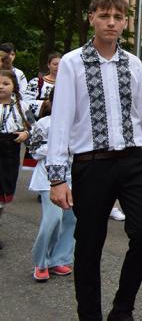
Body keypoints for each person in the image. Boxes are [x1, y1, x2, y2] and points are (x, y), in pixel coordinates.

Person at [47, 0, 142, 321]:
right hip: (91, 165)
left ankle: (122, 310)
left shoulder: (133, 63)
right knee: (89, 244)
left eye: (117, 17)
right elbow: (61, 120)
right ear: (91, 19)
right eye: (104, 16)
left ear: (125, 22)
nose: (111, 22)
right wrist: (58, 177)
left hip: (134, 160)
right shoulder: (72, 63)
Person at [28, 88, 77, 282]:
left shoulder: (81, 124)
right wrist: (59, 148)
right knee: (52, 220)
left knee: (71, 220)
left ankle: (59, 259)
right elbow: (34, 150)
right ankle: (41, 262)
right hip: (48, 178)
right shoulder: (45, 123)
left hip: (75, 177)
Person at [0, 69, 35, 249]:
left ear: (14, 86)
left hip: (10, 150)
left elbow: (35, 127)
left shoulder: (22, 106)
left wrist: (25, 133)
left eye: (5, 83)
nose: (1, 87)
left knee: (4, 192)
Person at [24, 52, 60, 118]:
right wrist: (45, 104)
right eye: (55, 64)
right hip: (40, 120)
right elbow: (26, 102)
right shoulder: (36, 82)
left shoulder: (67, 83)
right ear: (48, 65)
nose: (58, 67)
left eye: (61, 64)